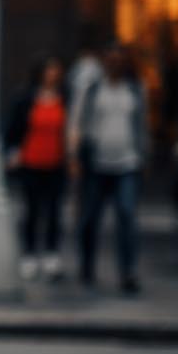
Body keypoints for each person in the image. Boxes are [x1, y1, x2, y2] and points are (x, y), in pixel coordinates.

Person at [72, 45, 148, 295]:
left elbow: (142, 126)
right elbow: (80, 123)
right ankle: (87, 266)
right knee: (90, 218)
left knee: (127, 217)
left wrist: (143, 157)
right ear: (104, 63)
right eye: (110, 60)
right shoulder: (93, 91)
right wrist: (75, 157)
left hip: (127, 163)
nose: (114, 65)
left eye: (119, 61)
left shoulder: (135, 90)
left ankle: (128, 272)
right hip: (97, 165)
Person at [4, 57, 71, 282]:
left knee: (54, 211)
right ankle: (29, 254)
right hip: (31, 161)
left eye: (56, 70)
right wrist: (13, 152)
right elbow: (13, 128)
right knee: (31, 210)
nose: (53, 75)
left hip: (56, 163)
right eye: (49, 70)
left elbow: (69, 130)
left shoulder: (64, 98)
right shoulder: (25, 98)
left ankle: (52, 255)